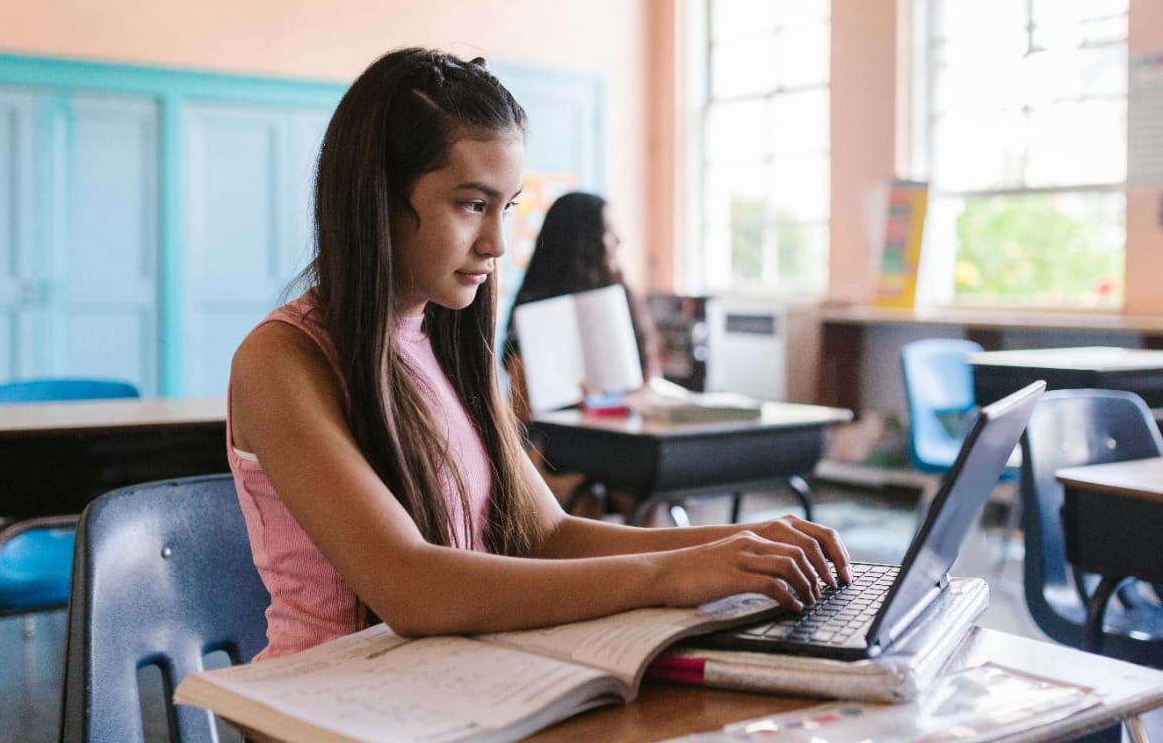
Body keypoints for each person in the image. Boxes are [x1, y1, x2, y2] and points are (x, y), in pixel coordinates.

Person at [228, 46, 851, 661]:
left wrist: (744, 542)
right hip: (327, 708)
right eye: (472, 204)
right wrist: (669, 572)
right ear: (378, 199)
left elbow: (546, 534)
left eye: (507, 207)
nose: (497, 242)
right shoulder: (281, 360)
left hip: (450, 683)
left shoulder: (442, 341)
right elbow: (413, 588)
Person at [501, 190, 659, 517]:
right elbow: (520, 414)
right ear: (582, 243)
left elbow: (649, 381)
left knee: (646, 488)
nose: (619, 241)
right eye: (608, 232)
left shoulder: (624, 301)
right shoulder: (535, 312)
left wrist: (609, 403)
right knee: (588, 493)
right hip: (555, 447)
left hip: (620, 438)